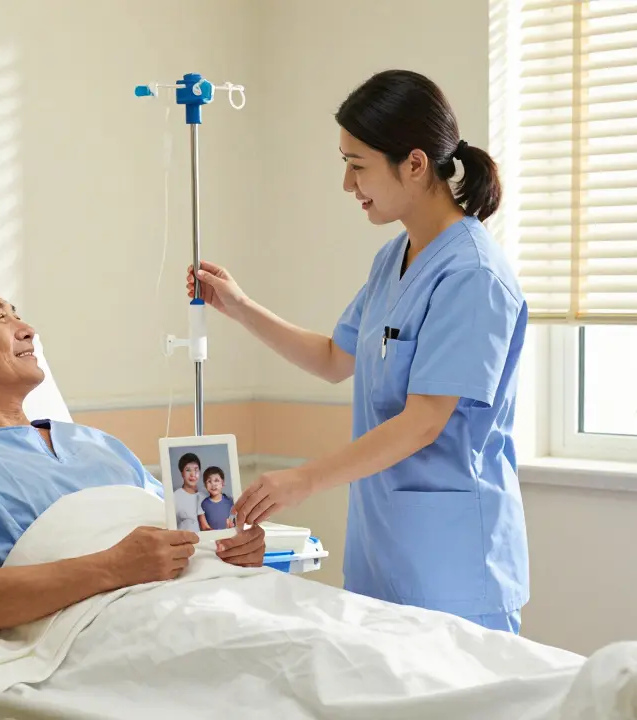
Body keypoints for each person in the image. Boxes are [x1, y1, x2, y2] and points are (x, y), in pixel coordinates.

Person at [185, 69, 529, 634]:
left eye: (358, 164)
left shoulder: (473, 275)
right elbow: (332, 358)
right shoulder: (395, 258)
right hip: (383, 553)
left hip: (455, 565)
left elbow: (423, 423)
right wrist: (238, 306)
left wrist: (303, 480)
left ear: (414, 164)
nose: (348, 183)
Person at [0, 268, 267, 643]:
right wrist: (114, 567)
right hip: (107, 631)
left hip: (203, 600)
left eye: (17, 315)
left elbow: (178, 538)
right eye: (0, 317)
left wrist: (231, 550)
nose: (28, 330)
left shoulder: (98, 444)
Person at [173, 453, 204, 532]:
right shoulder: (175, 496)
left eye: (196, 470)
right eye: (188, 470)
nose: (192, 474)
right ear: (182, 473)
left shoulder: (205, 497)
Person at [199, 467, 235, 531]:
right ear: (205, 485)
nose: (213, 484)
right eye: (209, 481)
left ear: (223, 483)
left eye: (216, 480)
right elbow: (204, 528)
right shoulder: (203, 504)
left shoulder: (230, 502)